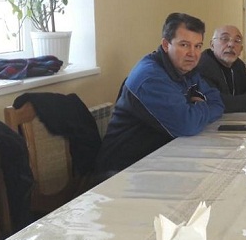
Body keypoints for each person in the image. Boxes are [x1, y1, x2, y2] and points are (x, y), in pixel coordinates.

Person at [96, 13, 224, 176]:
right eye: (184, 45)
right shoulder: (150, 78)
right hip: (123, 171)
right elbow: (187, 124)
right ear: (165, 45)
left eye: (198, 46)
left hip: (160, 158)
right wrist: (201, 105)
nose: (192, 53)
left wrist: (195, 110)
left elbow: (217, 101)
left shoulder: (186, 69)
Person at [196, 25, 246, 112]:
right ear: (212, 45)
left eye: (237, 41)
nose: (231, 45)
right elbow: (214, 101)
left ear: (241, 49)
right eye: (225, 39)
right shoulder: (202, 66)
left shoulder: (238, 64)